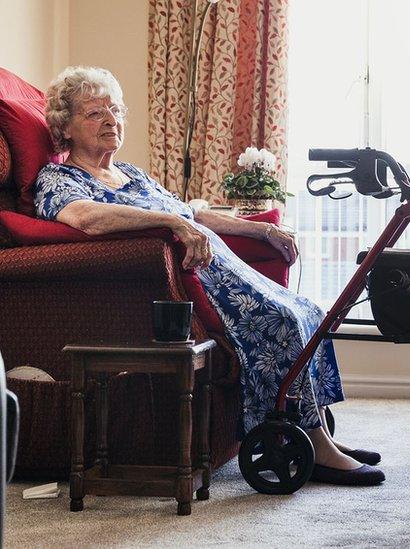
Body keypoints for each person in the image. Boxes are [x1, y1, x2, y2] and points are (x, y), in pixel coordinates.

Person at [34, 65, 384, 486]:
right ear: (65, 129)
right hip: (195, 283)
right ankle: (312, 446)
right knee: (283, 322)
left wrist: (262, 229)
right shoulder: (60, 178)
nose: (111, 120)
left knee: (308, 311)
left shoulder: (132, 173)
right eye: (94, 113)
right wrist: (173, 224)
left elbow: (192, 212)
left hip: (224, 267)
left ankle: (315, 435)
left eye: (116, 110)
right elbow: (83, 217)